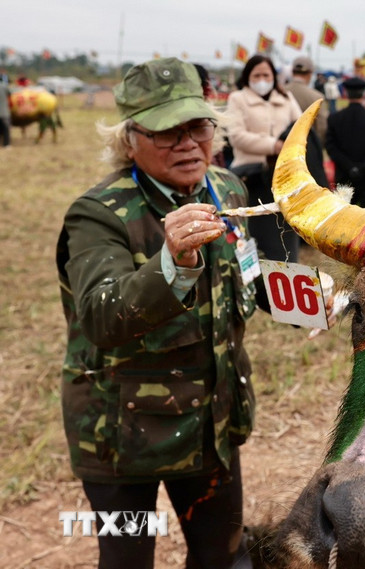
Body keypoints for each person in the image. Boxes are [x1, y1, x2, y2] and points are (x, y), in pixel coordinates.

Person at [56, 57, 259, 569]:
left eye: (198, 126)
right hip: (122, 445)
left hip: (211, 427)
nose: (189, 143)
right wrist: (172, 261)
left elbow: (245, 280)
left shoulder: (227, 190)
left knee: (222, 553)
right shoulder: (99, 213)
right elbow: (101, 317)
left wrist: (307, 296)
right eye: (168, 132)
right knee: (127, 556)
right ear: (130, 140)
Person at [225, 54, 301, 263]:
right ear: (247, 76)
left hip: (283, 177)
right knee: (254, 233)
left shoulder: (286, 98)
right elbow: (237, 136)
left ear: (273, 77)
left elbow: (301, 125)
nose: (262, 80)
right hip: (250, 175)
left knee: (283, 234)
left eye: (266, 75)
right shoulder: (237, 99)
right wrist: (273, 145)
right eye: (256, 74)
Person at [324, 77, 365, 211]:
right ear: (364, 93)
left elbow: (330, 147)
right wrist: (362, 167)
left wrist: (350, 167)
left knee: (344, 218)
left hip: (345, 176)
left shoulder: (335, 118)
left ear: (345, 94)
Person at [285, 55, 328, 144]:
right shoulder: (316, 97)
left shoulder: (279, 92)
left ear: (292, 72)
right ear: (310, 74)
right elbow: (322, 126)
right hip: (307, 146)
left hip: (281, 147)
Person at [0, 79, 10, 148]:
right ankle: (6, 144)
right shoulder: (4, 86)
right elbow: (10, 94)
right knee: (6, 128)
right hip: (4, 112)